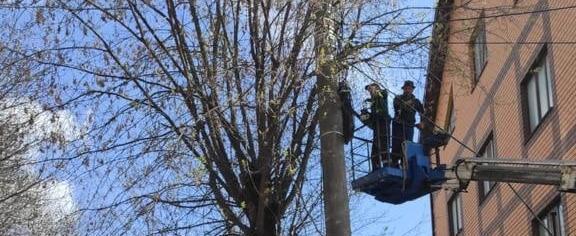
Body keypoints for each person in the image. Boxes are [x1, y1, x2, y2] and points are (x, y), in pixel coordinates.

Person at [391, 80, 424, 168]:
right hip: (398, 125)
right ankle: (394, 164)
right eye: (406, 88)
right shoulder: (398, 98)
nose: (407, 90)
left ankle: (405, 164)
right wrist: (406, 104)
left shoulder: (416, 101)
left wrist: (421, 122)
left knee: (407, 146)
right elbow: (397, 106)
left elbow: (422, 112)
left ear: (412, 89)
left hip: (409, 126)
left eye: (409, 88)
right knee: (396, 145)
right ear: (403, 89)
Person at [360, 83, 391, 171]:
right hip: (377, 124)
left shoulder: (382, 94)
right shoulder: (372, 102)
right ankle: (375, 168)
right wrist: (365, 115)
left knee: (384, 145)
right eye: (369, 90)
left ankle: (387, 165)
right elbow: (371, 119)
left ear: (376, 88)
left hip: (383, 121)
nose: (370, 91)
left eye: (371, 88)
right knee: (375, 150)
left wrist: (376, 92)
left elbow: (383, 94)